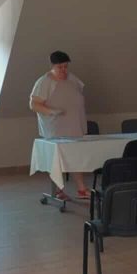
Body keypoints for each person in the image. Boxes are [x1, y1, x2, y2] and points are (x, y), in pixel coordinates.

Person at [29, 50, 89, 199]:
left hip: (74, 126)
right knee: (57, 160)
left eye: (66, 66)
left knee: (76, 157)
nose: (63, 70)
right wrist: (52, 111)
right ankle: (57, 190)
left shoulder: (72, 79)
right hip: (55, 128)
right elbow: (34, 104)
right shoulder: (44, 81)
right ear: (52, 66)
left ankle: (81, 189)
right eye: (60, 67)